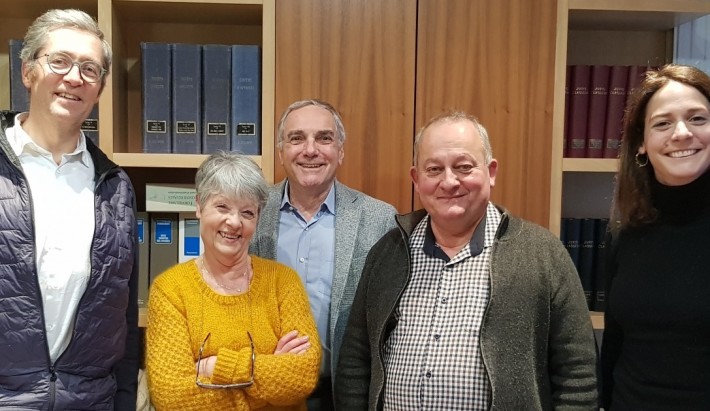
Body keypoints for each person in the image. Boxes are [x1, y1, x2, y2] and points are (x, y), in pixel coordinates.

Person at [335, 111, 599, 410]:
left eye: (463, 167)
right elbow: (355, 361)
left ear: (491, 172)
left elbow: (577, 376)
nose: (449, 182)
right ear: (416, 179)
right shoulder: (388, 253)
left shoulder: (542, 255)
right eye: (434, 169)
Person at [0, 9, 139, 410]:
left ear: (99, 89)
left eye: (89, 69)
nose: (74, 77)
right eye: (59, 61)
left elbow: (123, 319)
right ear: (28, 72)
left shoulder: (116, 187)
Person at [250, 99, 397, 410]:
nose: (310, 150)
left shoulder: (380, 220)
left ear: (340, 151)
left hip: (343, 397)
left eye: (324, 138)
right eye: (297, 138)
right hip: (265, 392)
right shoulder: (251, 213)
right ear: (281, 152)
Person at [146, 151, 321, 410]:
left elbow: (302, 376)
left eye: (247, 212)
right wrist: (268, 373)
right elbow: (173, 398)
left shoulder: (283, 283)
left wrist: (215, 366)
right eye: (222, 207)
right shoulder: (170, 291)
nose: (234, 222)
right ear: (199, 206)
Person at [601, 64, 710, 410]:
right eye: (662, 123)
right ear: (641, 144)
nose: (682, 133)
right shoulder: (625, 233)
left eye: (698, 119)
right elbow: (615, 346)